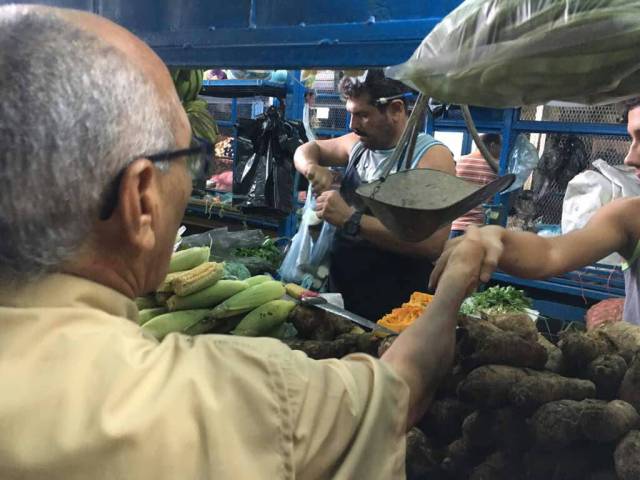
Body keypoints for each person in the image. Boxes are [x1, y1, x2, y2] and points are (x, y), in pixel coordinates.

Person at [0, 5, 481, 479]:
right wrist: (453, 288)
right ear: (141, 201)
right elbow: (401, 390)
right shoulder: (244, 400)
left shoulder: (430, 155)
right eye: (191, 158)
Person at [430, 99, 640, 323]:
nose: (630, 157)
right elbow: (550, 253)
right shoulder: (629, 216)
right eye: (632, 138)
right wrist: (495, 237)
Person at [294, 70, 455, 320]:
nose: (353, 125)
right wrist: (312, 168)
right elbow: (306, 149)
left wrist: (351, 219)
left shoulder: (430, 158)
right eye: (350, 114)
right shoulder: (356, 145)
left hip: (397, 308)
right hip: (343, 298)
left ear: (396, 110)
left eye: (363, 115)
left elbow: (433, 244)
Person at [450, 133, 501, 237]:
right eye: (501, 146)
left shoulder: (460, 161)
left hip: (455, 226)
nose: (501, 151)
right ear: (493, 145)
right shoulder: (496, 168)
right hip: (478, 229)